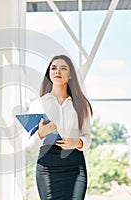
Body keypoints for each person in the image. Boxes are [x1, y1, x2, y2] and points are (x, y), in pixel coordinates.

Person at [27, 55, 93, 200]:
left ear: (70, 75)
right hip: (47, 164)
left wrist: (77, 142)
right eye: (54, 68)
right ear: (49, 74)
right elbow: (28, 144)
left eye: (63, 68)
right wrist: (41, 133)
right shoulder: (38, 104)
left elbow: (87, 137)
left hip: (75, 164)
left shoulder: (81, 104)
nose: (58, 71)